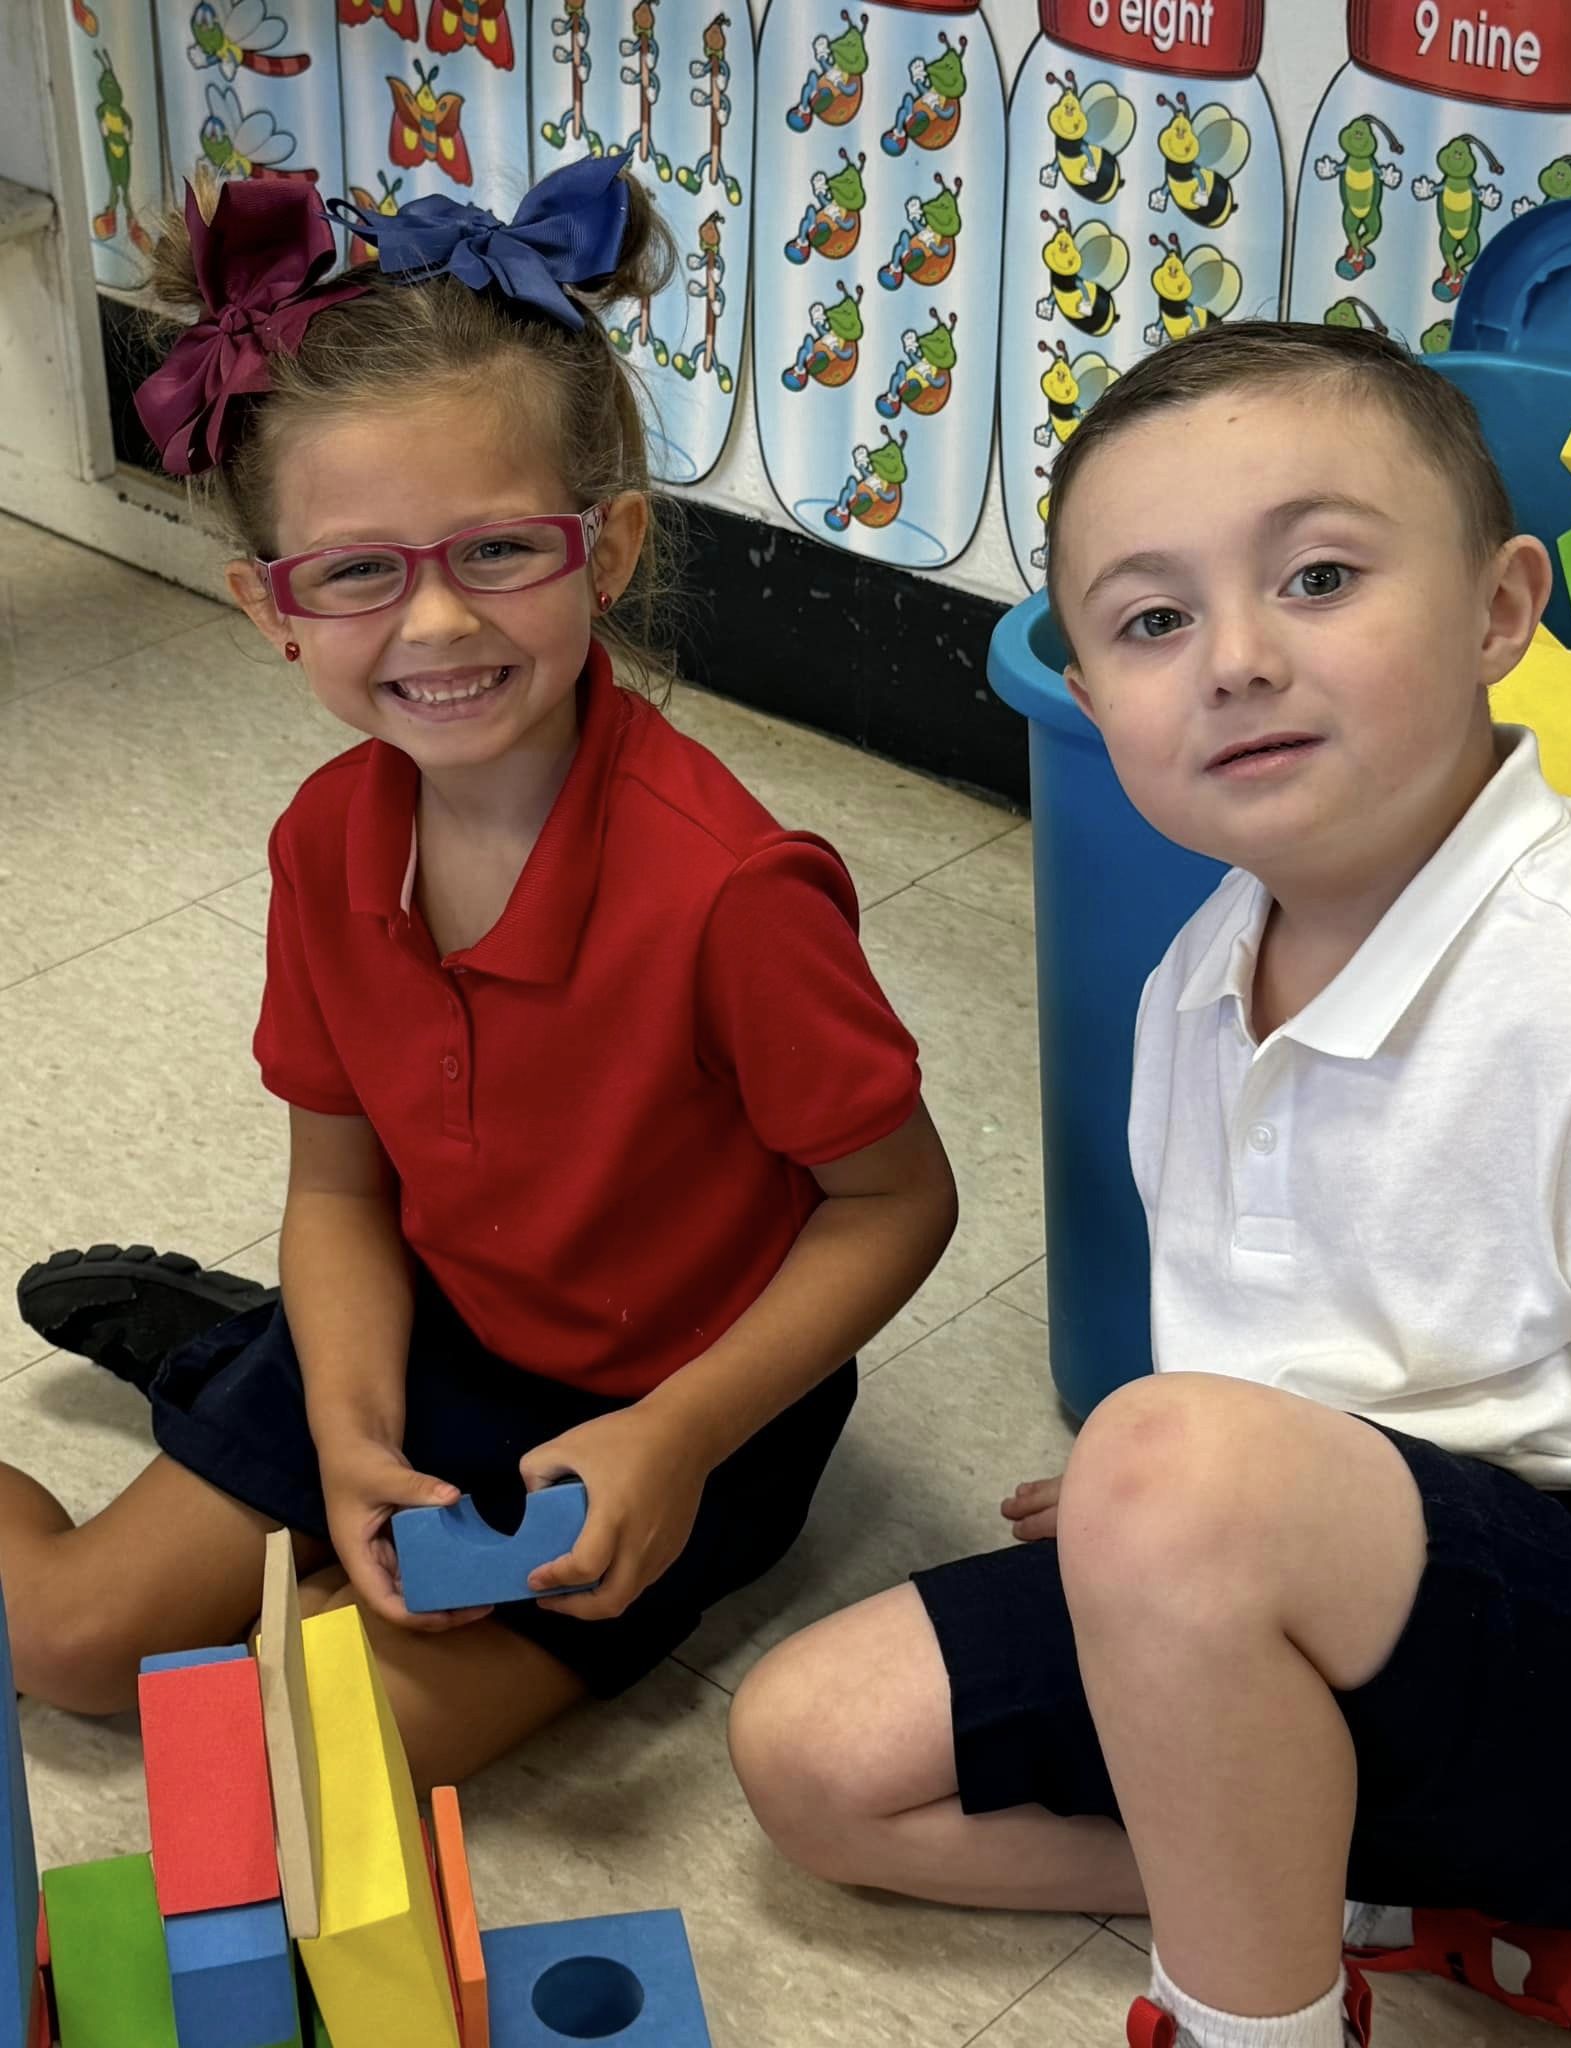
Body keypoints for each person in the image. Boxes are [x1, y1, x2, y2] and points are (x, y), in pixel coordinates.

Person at [727, 321, 1571, 2048]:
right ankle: (1425, 1899)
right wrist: (1185, 1522)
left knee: (1169, 1472)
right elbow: (1307, 1339)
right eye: (1152, 622)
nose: (1234, 660)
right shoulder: (1201, 974)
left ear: (1496, 610)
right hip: (1391, 1621)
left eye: (1318, 576)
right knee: (813, 1762)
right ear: (1092, 704)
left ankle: (1259, 2018)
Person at [6, 158, 957, 1792]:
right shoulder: (325, 844)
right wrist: (354, 1439)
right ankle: (237, 1360)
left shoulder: (734, 895)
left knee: (312, 1734)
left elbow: (895, 1206)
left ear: (606, 550)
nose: (435, 622)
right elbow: (341, 1189)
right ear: (270, 610)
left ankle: (218, 1359)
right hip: (429, 1321)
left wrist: (675, 1435)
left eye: (496, 551)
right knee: (72, 1645)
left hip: (673, 1400)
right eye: (357, 571)